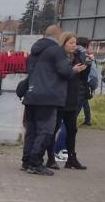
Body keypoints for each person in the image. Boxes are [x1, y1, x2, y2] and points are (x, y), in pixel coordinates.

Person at [20, 24, 86, 176]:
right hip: (48, 96)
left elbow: (30, 71)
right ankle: (36, 163)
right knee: (45, 130)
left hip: (31, 95)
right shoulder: (56, 51)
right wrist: (74, 70)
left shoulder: (34, 52)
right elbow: (64, 71)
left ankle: (26, 160)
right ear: (58, 36)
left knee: (31, 130)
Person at [51, 32, 90, 169]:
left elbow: (83, 77)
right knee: (54, 128)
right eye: (71, 43)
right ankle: (50, 158)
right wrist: (72, 70)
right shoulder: (59, 56)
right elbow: (61, 74)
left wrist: (87, 64)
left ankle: (71, 158)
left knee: (72, 130)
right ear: (63, 43)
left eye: (75, 43)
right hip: (60, 97)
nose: (74, 46)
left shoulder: (77, 56)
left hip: (72, 97)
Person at [77, 37, 97, 125]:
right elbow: (93, 76)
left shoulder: (71, 55)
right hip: (83, 87)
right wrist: (92, 88)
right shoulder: (88, 58)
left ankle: (87, 120)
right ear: (87, 46)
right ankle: (88, 120)